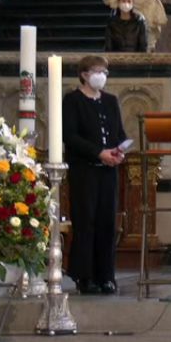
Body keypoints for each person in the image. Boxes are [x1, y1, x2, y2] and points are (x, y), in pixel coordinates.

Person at [61, 55, 128, 295]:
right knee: (86, 222)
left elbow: (119, 132)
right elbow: (70, 136)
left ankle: (106, 276)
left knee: (107, 223)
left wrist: (119, 151)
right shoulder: (72, 100)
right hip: (84, 170)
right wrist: (99, 152)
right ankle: (84, 276)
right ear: (84, 74)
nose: (102, 75)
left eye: (105, 72)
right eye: (97, 70)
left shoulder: (110, 101)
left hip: (108, 171)